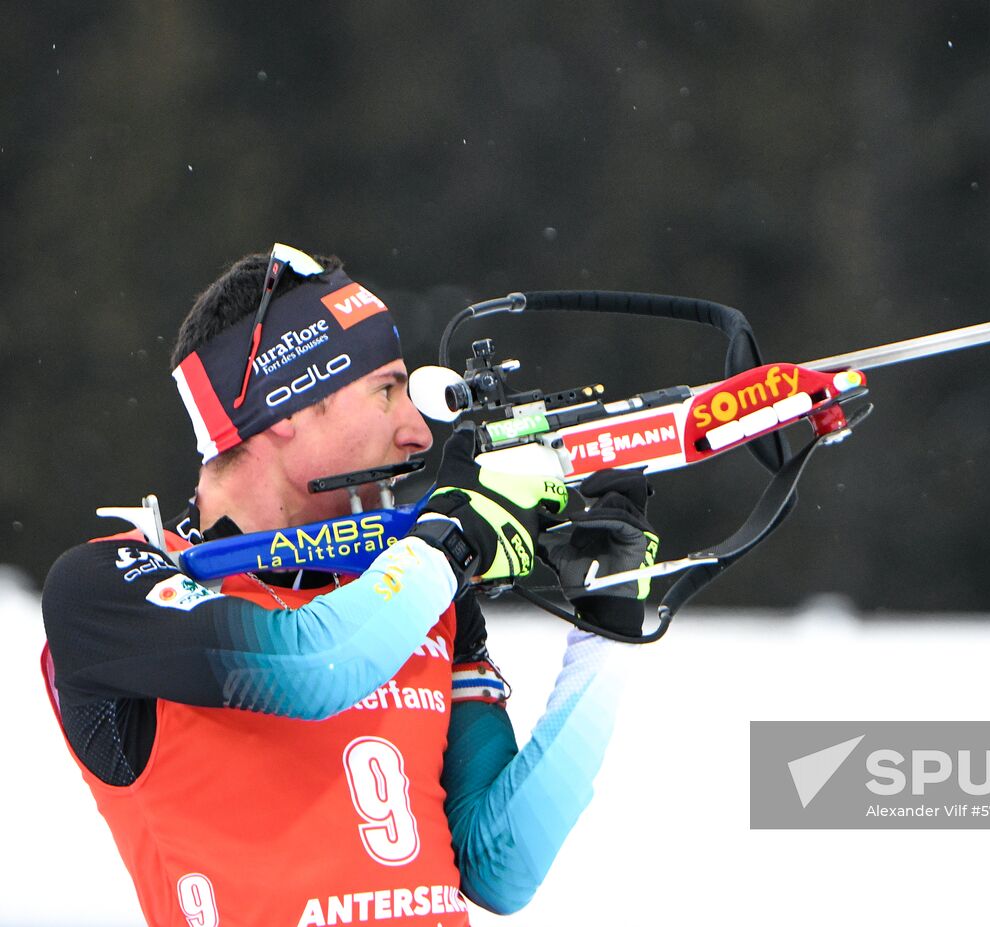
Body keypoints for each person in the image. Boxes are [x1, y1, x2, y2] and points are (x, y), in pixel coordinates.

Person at [40, 244, 658, 926]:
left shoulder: (411, 589)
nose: (416, 429)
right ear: (284, 406)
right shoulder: (106, 583)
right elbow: (309, 666)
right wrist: (449, 542)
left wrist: (606, 626)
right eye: (386, 389)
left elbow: (498, 865)